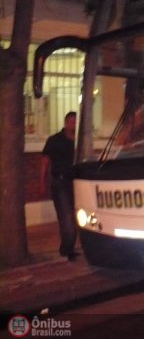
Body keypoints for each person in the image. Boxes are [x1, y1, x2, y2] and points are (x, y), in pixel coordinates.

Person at [40, 111, 78, 260]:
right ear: (66, 123)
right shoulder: (55, 140)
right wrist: (41, 183)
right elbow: (44, 162)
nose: (73, 124)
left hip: (75, 182)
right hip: (60, 182)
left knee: (74, 217)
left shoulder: (79, 142)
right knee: (66, 216)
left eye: (76, 122)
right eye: (71, 121)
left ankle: (69, 247)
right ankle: (67, 249)